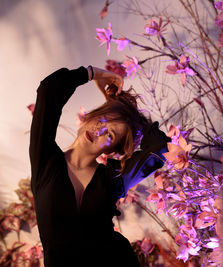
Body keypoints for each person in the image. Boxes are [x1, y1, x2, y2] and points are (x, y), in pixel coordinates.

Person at [29, 66, 169, 267]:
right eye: (101, 119)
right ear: (90, 116)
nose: (100, 130)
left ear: (112, 150)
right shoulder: (46, 161)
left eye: (110, 135)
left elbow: (159, 148)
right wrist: (93, 74)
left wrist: (130, 116)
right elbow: (49, 91)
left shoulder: (113, 178)